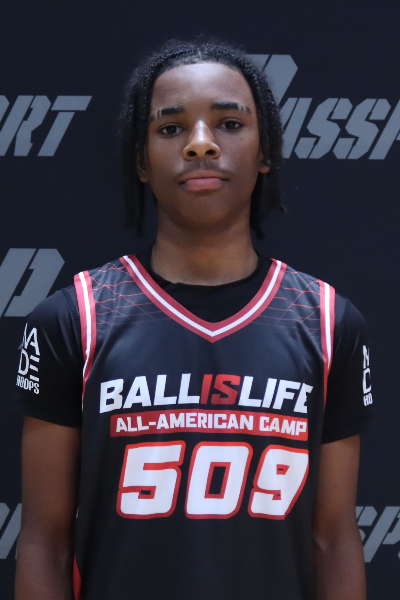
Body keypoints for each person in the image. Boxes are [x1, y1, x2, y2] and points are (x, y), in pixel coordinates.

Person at [14, 38, 372, 600]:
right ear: (141, 161)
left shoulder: (327, 322)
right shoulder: (75, 317)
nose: (201, 144)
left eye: (229, 124)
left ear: (265, 151)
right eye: (171, 128)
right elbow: (43, 542)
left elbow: (333, 540)